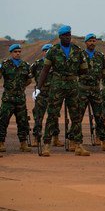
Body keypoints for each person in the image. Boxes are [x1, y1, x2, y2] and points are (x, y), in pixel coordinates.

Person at [35, 25, 90, 156]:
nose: (68, 37)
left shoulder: (77, 51)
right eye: (65, 36)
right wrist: (38, 87)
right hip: (57, 85)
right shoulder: (53, 51)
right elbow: (45, 70)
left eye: (69, 35)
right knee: (53, 115)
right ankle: (47, 145)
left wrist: (79, 76)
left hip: (72, 86)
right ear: (60, 37)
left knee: (76, 116)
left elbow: (84, 70)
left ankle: (78, 145)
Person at [77, 33, 105, 151]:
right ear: (86, 42)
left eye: (94, 40)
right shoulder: (80, 55)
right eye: (90, 41)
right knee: (78, 116)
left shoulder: (100, 56)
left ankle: (104, 140)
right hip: (82, 89)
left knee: (99, 116)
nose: (92, 42)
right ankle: (75, 141)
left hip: (96, 90)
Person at [0, 44, 32, 153]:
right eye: (15, 51)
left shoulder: (25, 65)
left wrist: (20, 88)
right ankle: (1, 143)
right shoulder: (5, 64)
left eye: (19, 51)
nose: (17, 53)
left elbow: (28, 80)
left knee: (23, 122)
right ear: (11, 53)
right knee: (3, 121)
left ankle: (23, 144)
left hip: (20, 100)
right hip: (8, 99)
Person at [30, 44, 62, 147]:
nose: (47, 52)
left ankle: (55, 138)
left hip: (53, 94)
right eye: (46, 50)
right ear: (43, 52)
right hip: (41, 94)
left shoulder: (57, 64)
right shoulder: (37, 64)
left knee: (54, 116)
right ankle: (36, 138)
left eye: (49, 50)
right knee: (38, 117)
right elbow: (28, 76)